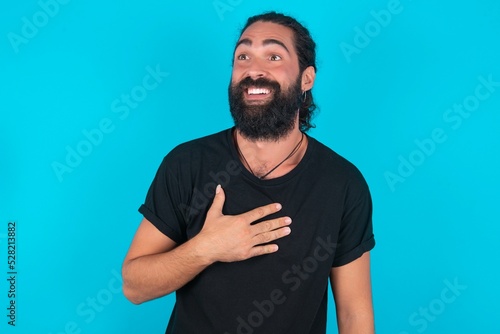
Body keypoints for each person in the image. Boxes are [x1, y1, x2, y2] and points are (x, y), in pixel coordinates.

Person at [122, 11, 375, 334]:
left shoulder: (342, 184)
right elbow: (135, 286)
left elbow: (354, 315)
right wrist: (206, 248)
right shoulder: (187, 164)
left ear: (307, 78)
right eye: (243, 56)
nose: (254, 69)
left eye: (273, 55)